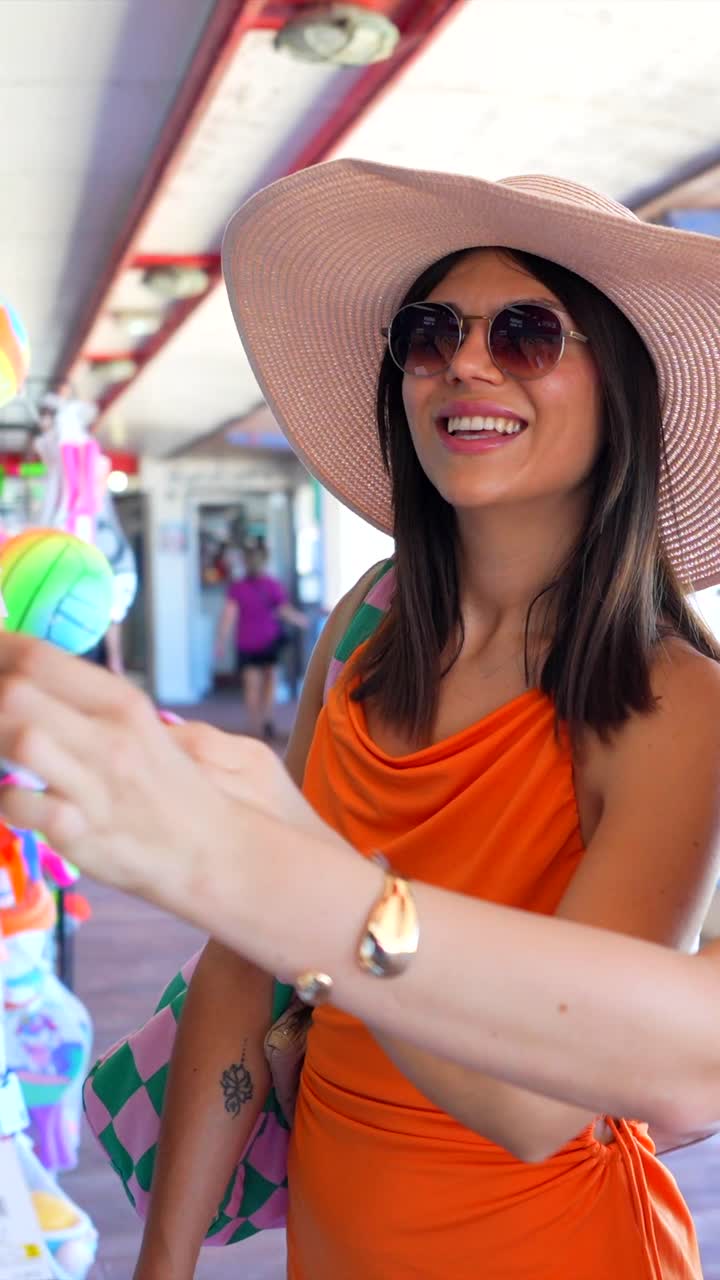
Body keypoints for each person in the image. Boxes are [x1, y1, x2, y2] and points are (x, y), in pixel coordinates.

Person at [0, 162, 720, 1279]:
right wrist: (165, 1257)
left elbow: (536, 1102)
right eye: (431, 331)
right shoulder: (365, 624)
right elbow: (243, 964)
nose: (466, 361)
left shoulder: (673, 701)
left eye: (527, 333)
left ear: (619, 386)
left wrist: (281, 890)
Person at [215, 541, 309, 739]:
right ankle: (267, 718)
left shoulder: (238, 588)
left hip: (246, 641)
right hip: (269, 640)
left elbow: (228, 616)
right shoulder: (272, 585)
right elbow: (284, 611)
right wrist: (302, 620)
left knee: (251, 685)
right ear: (264, 561)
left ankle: (254, 725)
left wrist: (220, 642)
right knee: (270, 680)